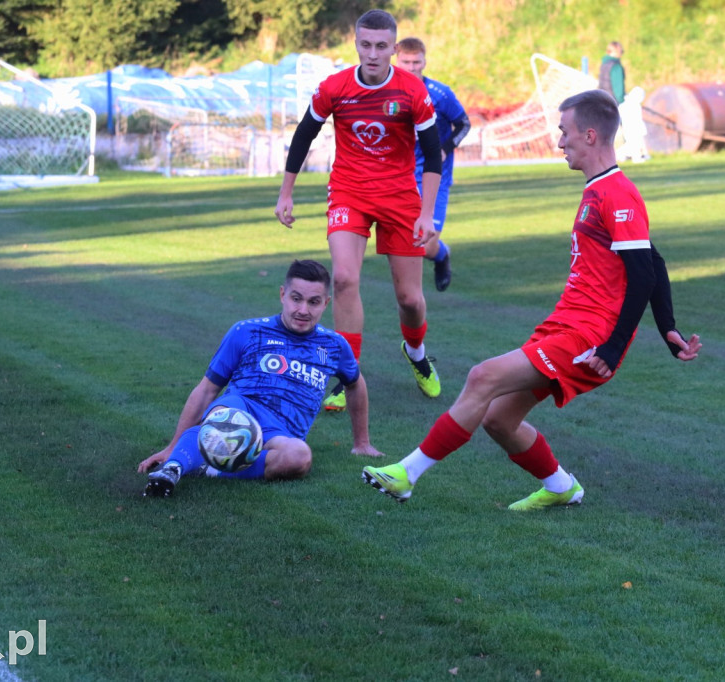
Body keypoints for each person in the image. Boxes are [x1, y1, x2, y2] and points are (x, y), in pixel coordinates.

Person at [362, 90, 702, 510]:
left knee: (482, 377)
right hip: (566, 323)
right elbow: (654, 260)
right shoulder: (600, 191)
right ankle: (561, 487)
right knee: (499, 419)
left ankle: (406, 474)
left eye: (565, 133)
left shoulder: (618, 193)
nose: (560, 142)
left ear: (591, 135)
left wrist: (613, 348)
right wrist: (668, 328)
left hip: (588, 336)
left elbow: (645, 271)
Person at [275, 9, 444, 413]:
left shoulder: (412, 91)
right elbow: (304, 134)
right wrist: (286, 192)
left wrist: (426, 214)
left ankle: (416, 352)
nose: (373, 54)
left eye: (381, 46)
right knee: (346, 280)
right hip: (349, 192)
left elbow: (434, 156)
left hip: (401, 198)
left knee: (410, 298)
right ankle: (345, 376)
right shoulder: (334, 87)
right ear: (356, 44)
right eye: (365, 45)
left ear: (393, 48)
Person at [138, 259, 382, 497]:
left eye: (313, 302)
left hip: (281, 432)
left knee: (300, 457)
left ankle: (211, 470)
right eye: (296, 299)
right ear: (282, 295)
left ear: (326, 303)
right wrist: (172, 445)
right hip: (241, 406)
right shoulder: (247, 331)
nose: (303, 310)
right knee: (222, 414)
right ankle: (172, 467)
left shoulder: (334, 345)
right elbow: (207, 390)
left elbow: (355, 383)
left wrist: (361, 442)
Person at [395, 36, 471, 293]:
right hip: (400, 178)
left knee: (426, 246)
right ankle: (409, 298)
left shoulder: (440, 94)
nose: (412, 67)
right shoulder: (387, 93)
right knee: (404, 241)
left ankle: (441, 255)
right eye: (406, 62)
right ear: (397, 60)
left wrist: (444, 149)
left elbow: (464, 124)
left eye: (417, 62)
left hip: (434, 177)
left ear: (425, 61)